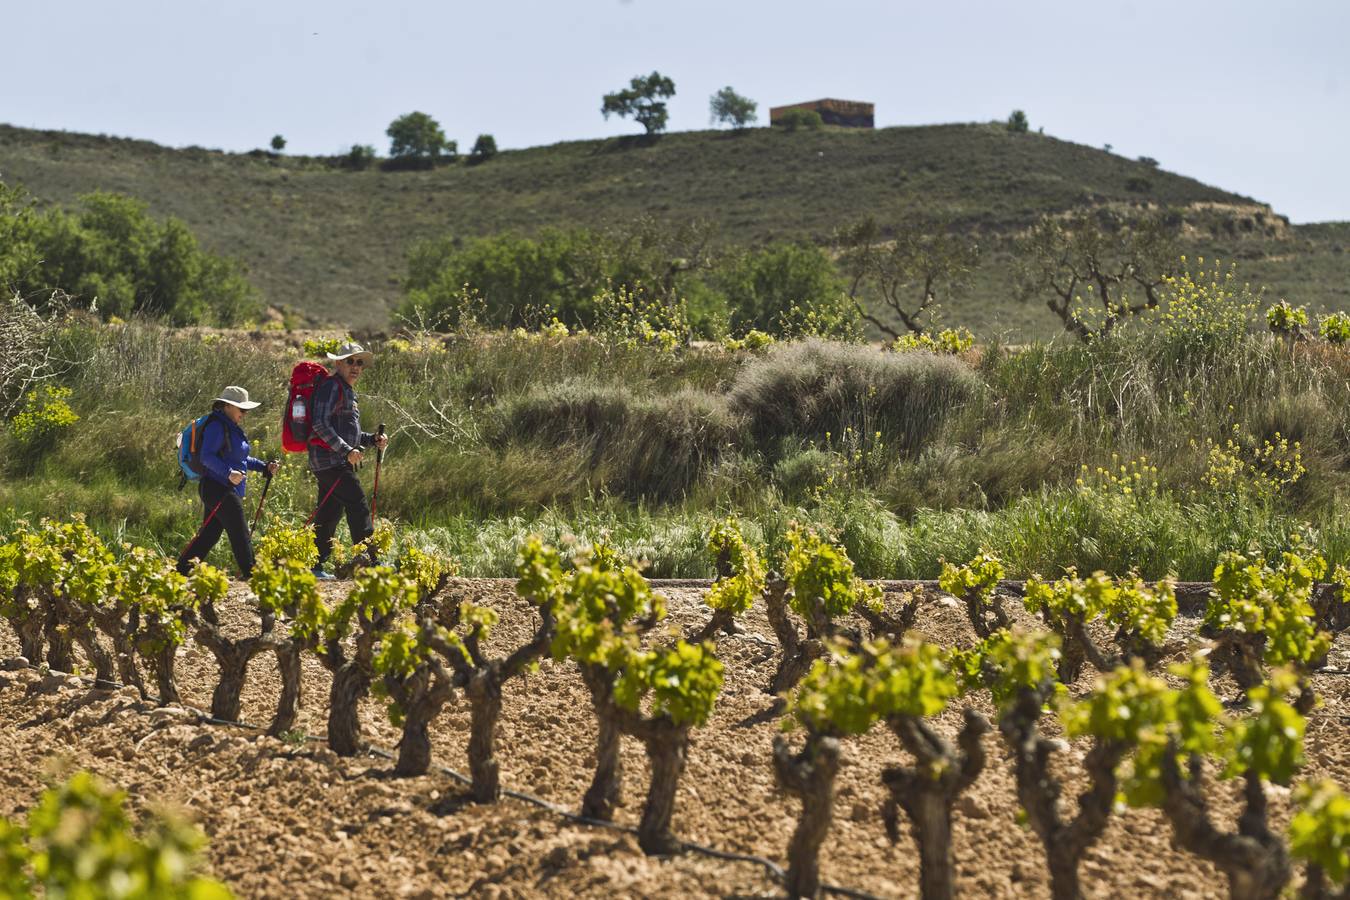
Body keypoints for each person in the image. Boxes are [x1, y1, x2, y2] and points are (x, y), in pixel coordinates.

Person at [177, 386, 279, 579]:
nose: (245, 413)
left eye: (246, 410)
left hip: (220, 487)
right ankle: (254, 576)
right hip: (218, 488)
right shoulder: (217, 426)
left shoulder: (230, 427)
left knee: (209, 535)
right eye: (242, 409)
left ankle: (181, 572)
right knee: (239, 531)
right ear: (227, 406)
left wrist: (264, 467)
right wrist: (228, 473)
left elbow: (240, 460)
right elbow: (207, 457)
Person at [308, 341, 388, 579]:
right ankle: (371, 562)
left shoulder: (346, 390)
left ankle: (315, 566)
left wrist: (372, 439)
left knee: (329, 513)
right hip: (331, 461)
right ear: (338, 363)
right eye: (350, 361)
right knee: (358, 504)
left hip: (331, 460)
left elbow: (349, 433)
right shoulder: (331, 387)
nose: (356, 366)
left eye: (359, 362)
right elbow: (319, 424)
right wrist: (346, 451)